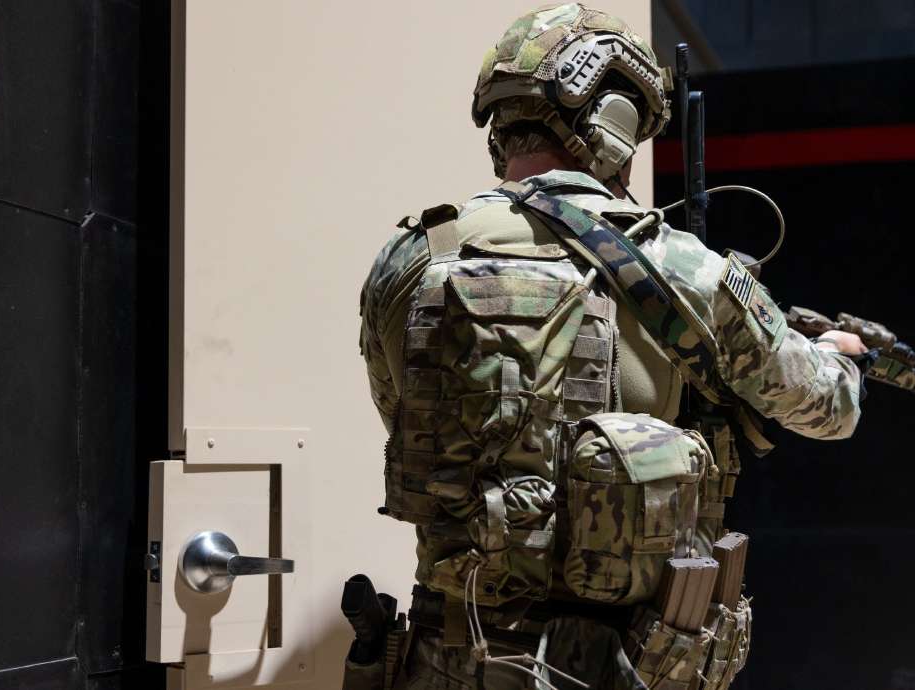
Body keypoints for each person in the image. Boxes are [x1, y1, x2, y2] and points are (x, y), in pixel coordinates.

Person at [357, 5, 866, 689]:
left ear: (502, 125)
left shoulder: (412, 258)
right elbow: (827, 408)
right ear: (615, 121)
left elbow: (401, 411)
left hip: (448, 658)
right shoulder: (685, 270)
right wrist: (838, 355)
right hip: (619, 665)